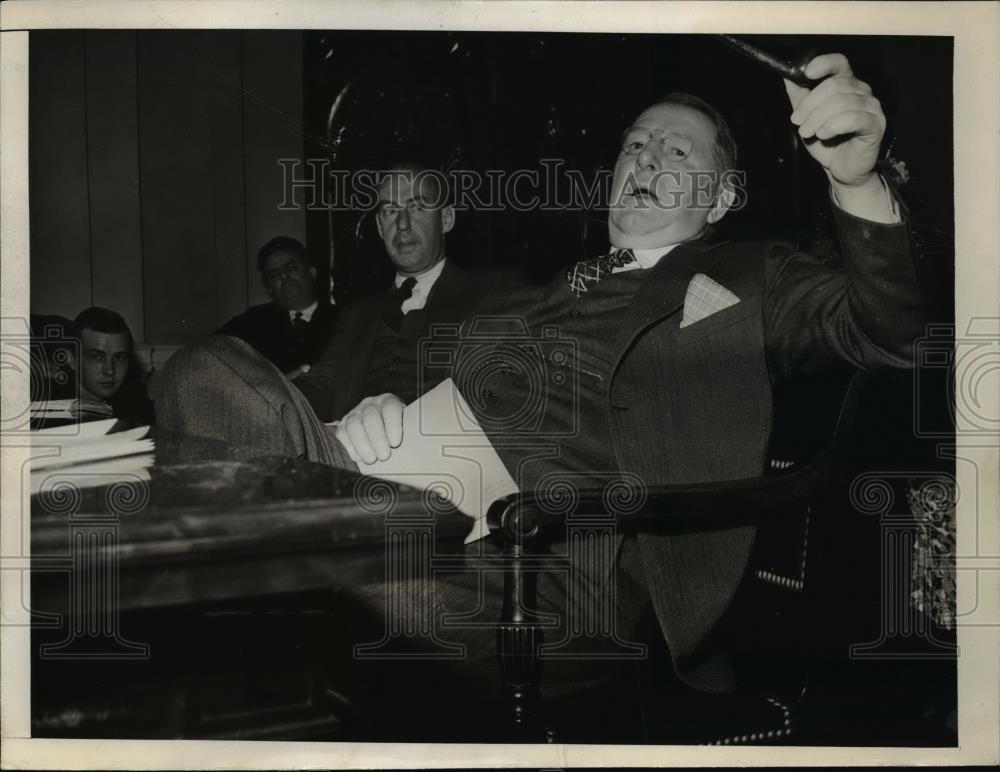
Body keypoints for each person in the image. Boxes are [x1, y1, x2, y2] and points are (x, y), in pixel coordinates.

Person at [158, 53, 923, 731]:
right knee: (204, 372)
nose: (645, 154)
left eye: (675, 147)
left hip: (542, 565)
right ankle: (299, 557)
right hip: (394, 492)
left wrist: (857, 178)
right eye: (634, 143)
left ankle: (277, 583)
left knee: (314, 553)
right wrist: (383, 408)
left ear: (720, 200)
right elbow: (453, 396)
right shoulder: (549, 289)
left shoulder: (751, 278)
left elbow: (888, 331)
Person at [157, 162, 491, 451]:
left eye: (417, 207)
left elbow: (498, 397)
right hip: (345, 451)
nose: (402, 224)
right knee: (193, 365)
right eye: (389, 211)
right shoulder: (360, 312)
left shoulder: (492, 296)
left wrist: (410, 413)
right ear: (379, 226)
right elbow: (320, 385)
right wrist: (266, 402)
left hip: (439, 454)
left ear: (446, 219)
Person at [216, 236, 337, 378]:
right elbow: (212, 348)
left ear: (312, 273)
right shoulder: (255, 320)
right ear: (270, 289)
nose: (284, 276)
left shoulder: (342, 318)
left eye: (292, 267)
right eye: (274, 274)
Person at [69, 306, 155, 425]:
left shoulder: (137, 405)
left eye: (119, 358)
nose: (109, 370)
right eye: (96, 357)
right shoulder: (46, 410)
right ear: (72, 360)